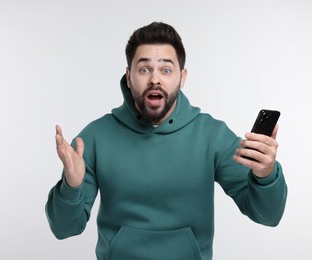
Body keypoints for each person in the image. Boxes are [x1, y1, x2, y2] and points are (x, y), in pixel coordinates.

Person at [45, 22, 287, 260]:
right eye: (143, 69)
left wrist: (266, 175)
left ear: (182, 78)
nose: (154, 79)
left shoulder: (212, 135)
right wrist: (71, 186)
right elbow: (64, 229)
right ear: (128, 77)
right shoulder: (94, 137)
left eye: (166, 70)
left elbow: (268, 215)